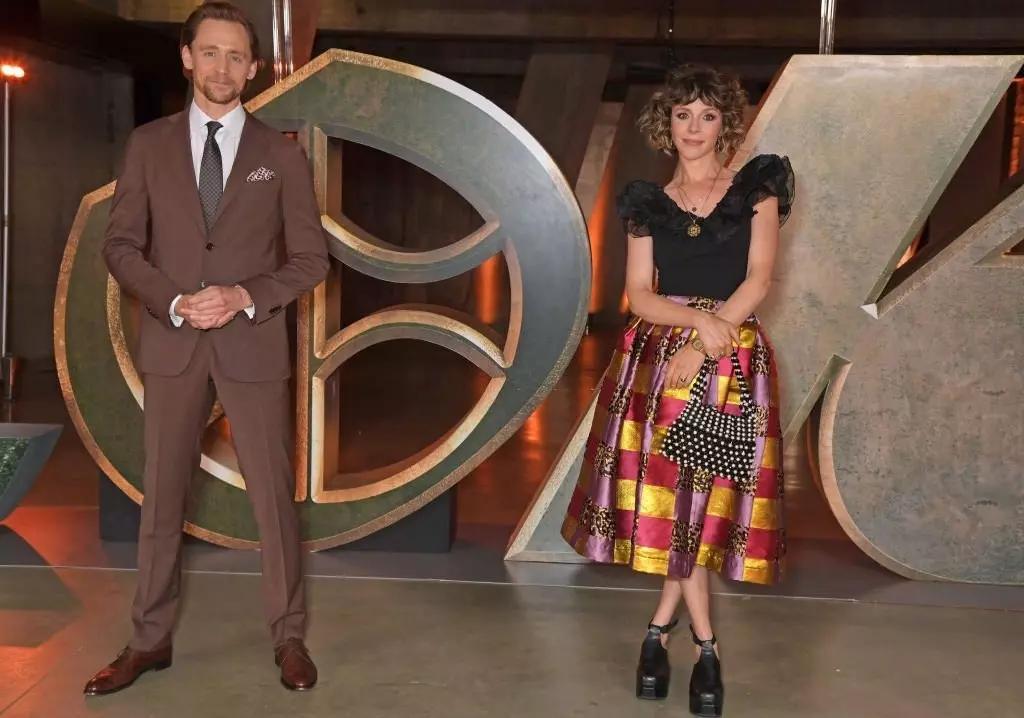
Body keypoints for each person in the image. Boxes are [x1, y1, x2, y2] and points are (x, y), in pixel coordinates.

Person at [84, 1, 329, 695]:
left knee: (273, 501)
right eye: (211, 52)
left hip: (252, 346)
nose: (223, 67)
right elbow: (120, 245)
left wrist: (243, 293)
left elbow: (310, 260)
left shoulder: (281, 154)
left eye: (236, 56)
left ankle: (288, 639)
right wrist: (172, 300)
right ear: (188, 58)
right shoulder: (148, 145)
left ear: (253, 70)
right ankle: (148, 641)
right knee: (161, 499)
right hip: (173, 343)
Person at [561, 64, 794, 716]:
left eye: (707, 115)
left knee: (703, 504)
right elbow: (639, 294)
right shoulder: (646, 202)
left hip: (730, 363)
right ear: (666, 123)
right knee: (679, 504)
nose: (694, 127)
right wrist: (694, 325)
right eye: (682, 114)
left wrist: (707, 339)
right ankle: (704, 648)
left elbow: (759, 279)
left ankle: (661, 634)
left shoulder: (756, 189)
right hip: (660, 363)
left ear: (726, 124)